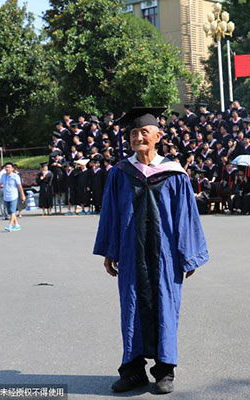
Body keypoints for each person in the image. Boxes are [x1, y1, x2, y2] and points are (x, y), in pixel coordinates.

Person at [93, 107, 208, 395]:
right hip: (132, 254)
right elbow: (111, 215)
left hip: (166, 255)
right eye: (133, 133)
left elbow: (186, 216)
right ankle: (132, 371)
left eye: (144, 132)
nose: (138, 137)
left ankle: (164, 371)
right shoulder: (120, 173)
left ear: (158, 136)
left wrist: (188, 255)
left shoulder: (174, 173)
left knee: (166, 307)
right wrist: (110, 250)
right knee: (131, 307)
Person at [0, 162, 26, 231]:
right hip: (6, 196)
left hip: (13, 196)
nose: (7, 168)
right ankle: (17, 225)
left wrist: (23, 195)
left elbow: (20, 187)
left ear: (12, 169)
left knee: (12, 211)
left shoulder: (15, 176)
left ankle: (10, 225)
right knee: (10, 212)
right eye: (6, 167)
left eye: (9, 167)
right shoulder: (3, 176)